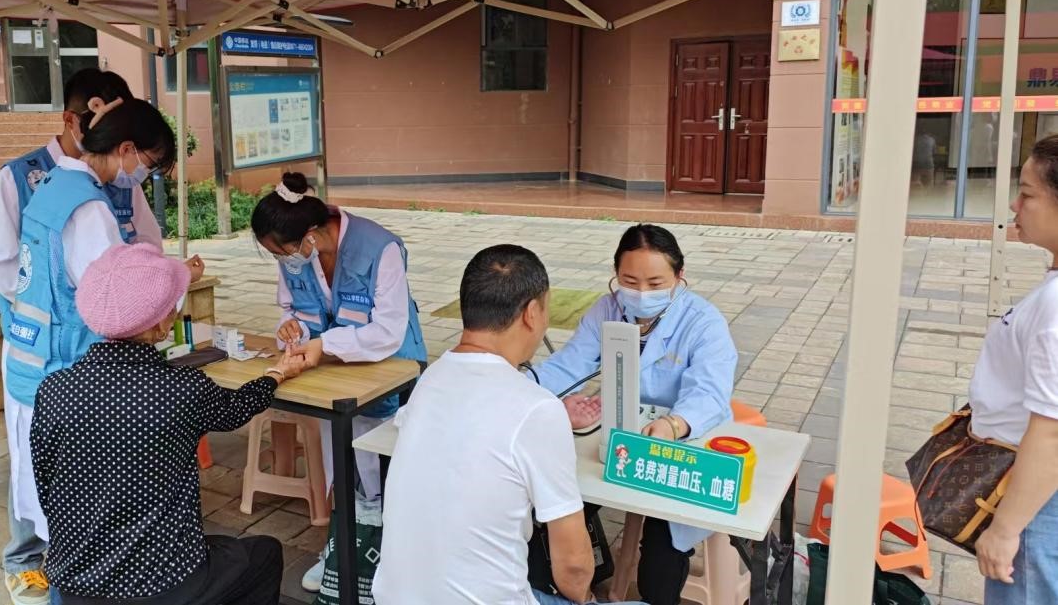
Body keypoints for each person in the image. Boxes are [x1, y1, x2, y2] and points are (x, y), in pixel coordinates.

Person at [32, 242, 308, 605]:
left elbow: (45, 483)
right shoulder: (182, 389)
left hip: (75, 582)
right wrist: (275, 374)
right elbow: (236, 409)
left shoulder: (54, 389)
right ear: (162, 324)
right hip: (163, 580)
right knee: (264, 554)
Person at [373, 245, 644, 605]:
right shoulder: (536, 409)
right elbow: (574, 567)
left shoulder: (429, 381)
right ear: (531, 313)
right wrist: (586, 600)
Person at [2, 96, 197, 592]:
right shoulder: (89, 207)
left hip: (33, 364)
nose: (143, 175)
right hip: (69, 368)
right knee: (82, 522)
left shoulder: (51, 185)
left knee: (56, 511)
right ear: (126, 149)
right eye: (148, 163)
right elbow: (121, 302)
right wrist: (178, 281)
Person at [531, 224, 736, 605]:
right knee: (551, 505)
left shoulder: (704, 322)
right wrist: (518, 390)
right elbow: (568, 365)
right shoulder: (607, 310)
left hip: (679, 439)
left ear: (679, 276)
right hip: (617, 434)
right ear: (616, 276)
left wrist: (674, 424)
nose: (641, 293)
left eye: (655, 283)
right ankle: (563, 591)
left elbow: (709, 393)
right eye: (629, 281)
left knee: (662, 553)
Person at [250, 171, 428, 591]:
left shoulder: (379, 247)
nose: (283, 262)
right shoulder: (294, 253)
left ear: (310, 236)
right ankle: (342, 552)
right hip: (332, 378)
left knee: (388, 473)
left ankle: (394, 565)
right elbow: (293, 310)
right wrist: (291, 329)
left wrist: (325, 345)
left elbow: (387, 331)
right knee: (341, 467)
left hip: (391, 376)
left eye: (283, 253)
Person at [968, 135, 1058, 604]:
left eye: (1027, 193)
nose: (1014, 205)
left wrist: (1005, 530)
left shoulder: (1055, 309)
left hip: (1037, 502)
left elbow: (1053, 430)